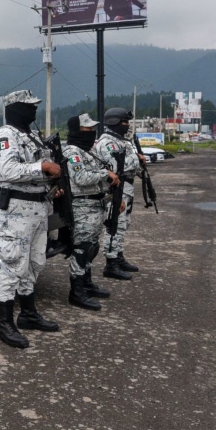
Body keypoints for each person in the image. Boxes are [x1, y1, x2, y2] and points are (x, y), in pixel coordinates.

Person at [0, 90, 61, 349]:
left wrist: (51, 184)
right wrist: (42, 168)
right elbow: (8, 170)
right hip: (16, 209)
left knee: (35, 262)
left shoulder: (31, 136)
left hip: (39, 207)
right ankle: (4, 323)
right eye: (29, 106)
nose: (34, 111)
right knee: (12, 264)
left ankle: (28, 313)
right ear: (15, 108)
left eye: (35, 106)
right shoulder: (5, 135)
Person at [63, 114, 121, 310]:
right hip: (82, 207)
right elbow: (81, 177)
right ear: (77, 130)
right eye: (87, 130)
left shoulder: (88, 152)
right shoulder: (72, 152)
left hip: (95, 205)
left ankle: (86, 283)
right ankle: (76, 292)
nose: (91, 133)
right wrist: (106, 174)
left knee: (92, 247)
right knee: (82, 248)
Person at [93, 107, 146, 280]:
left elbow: (132, 165)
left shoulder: (123, 141)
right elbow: (115, 166)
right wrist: (137, 159)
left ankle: (119, 255)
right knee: (114, 224)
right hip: (115, 188)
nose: (127, 125)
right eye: (124, 122)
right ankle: (111, 262)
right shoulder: (107, 142)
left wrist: (137, 161)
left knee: (124, 224)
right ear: (114, 122)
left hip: (127, 188)